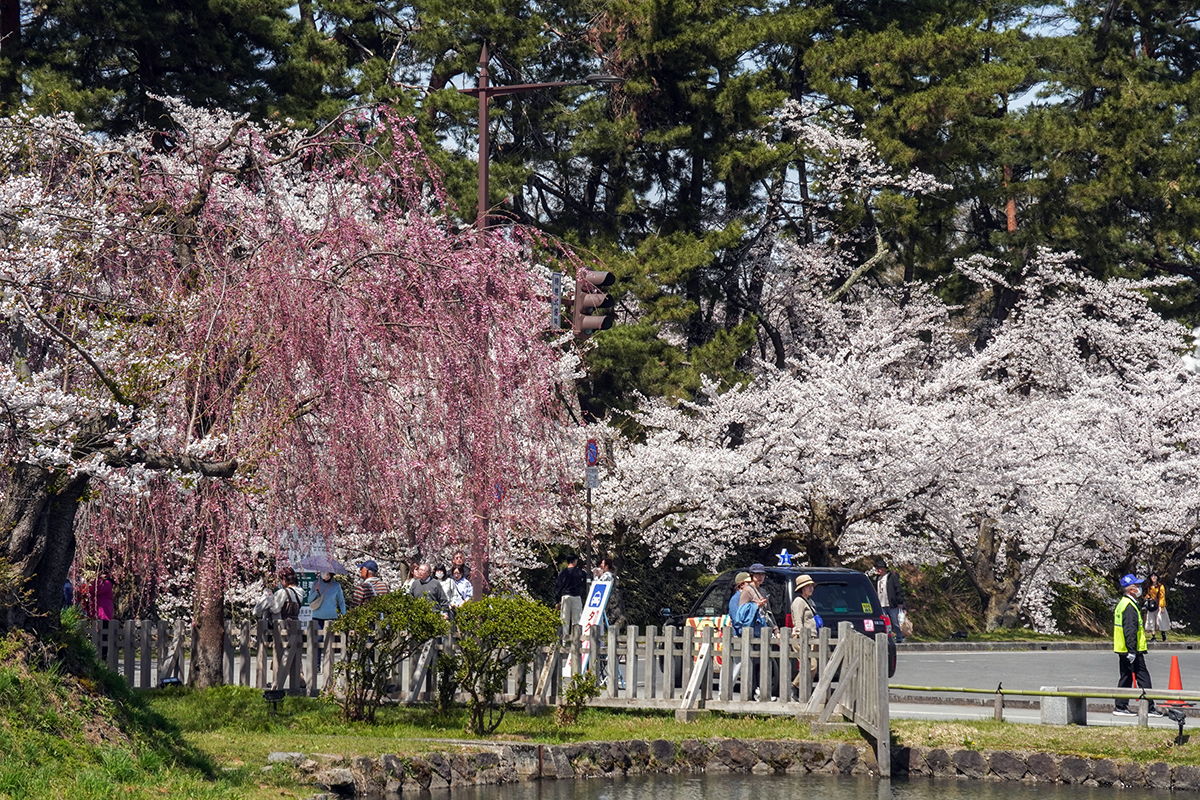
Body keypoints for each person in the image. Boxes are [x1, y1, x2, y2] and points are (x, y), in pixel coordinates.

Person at [1113, 573, 1163, 717]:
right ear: (1131, 590)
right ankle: (1149, 707)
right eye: (1137, 586)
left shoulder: (1124, 603)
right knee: (1143, 677)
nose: (1140, 588)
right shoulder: (1129, 606)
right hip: (1132, 649)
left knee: (1126, 676)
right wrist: (1132, 651)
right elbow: (1130, 630)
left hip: (1123, 648)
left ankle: (1120, 706)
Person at [790, 573, 822, 692]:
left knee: (813, 666)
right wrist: (800, 636)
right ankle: (795, 687)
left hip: (813, 637)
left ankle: (804, 690)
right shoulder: (798, 602)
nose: (810, 588)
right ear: (801, 588)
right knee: (810, 666)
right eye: (807, 586)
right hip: (803, 637)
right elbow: (798, 620)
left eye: (811, 586)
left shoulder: (809, 601)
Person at [554, 554, 588, 634]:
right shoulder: (579, 571)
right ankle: (575, 640)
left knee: (564, 619)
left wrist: (557, 600)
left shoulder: (562, 573)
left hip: (565, 596)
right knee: (576, 619)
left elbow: (558, 587)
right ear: (575, 561)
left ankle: (564, 640)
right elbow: (589, 578)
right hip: (576, 596)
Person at [875, 560, 906, 643]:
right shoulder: (877, 578)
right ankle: (887, 637)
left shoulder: (891, 577)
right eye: (877, 568)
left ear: (884, 569)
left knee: (895, 621)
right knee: (885, 622)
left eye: (879, 568)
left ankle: (899, 636)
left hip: (891, 604)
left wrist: (900, 601)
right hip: (881, 604)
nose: (878, 570)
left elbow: (898, 589)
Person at [1144, 572, 1169, 642]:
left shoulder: (1161, 586)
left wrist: (1162, 606)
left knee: (1160, 620)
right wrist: (1148, 598)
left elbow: (1162, 596)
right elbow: (1148, 594)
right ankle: (1153, 636)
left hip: (1158, 605)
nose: (1153, 578)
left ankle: (1163, 632)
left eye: (1155, 576)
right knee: (1151, 620)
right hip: (1151, 605)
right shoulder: (1149, 586)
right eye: (1152, 576)